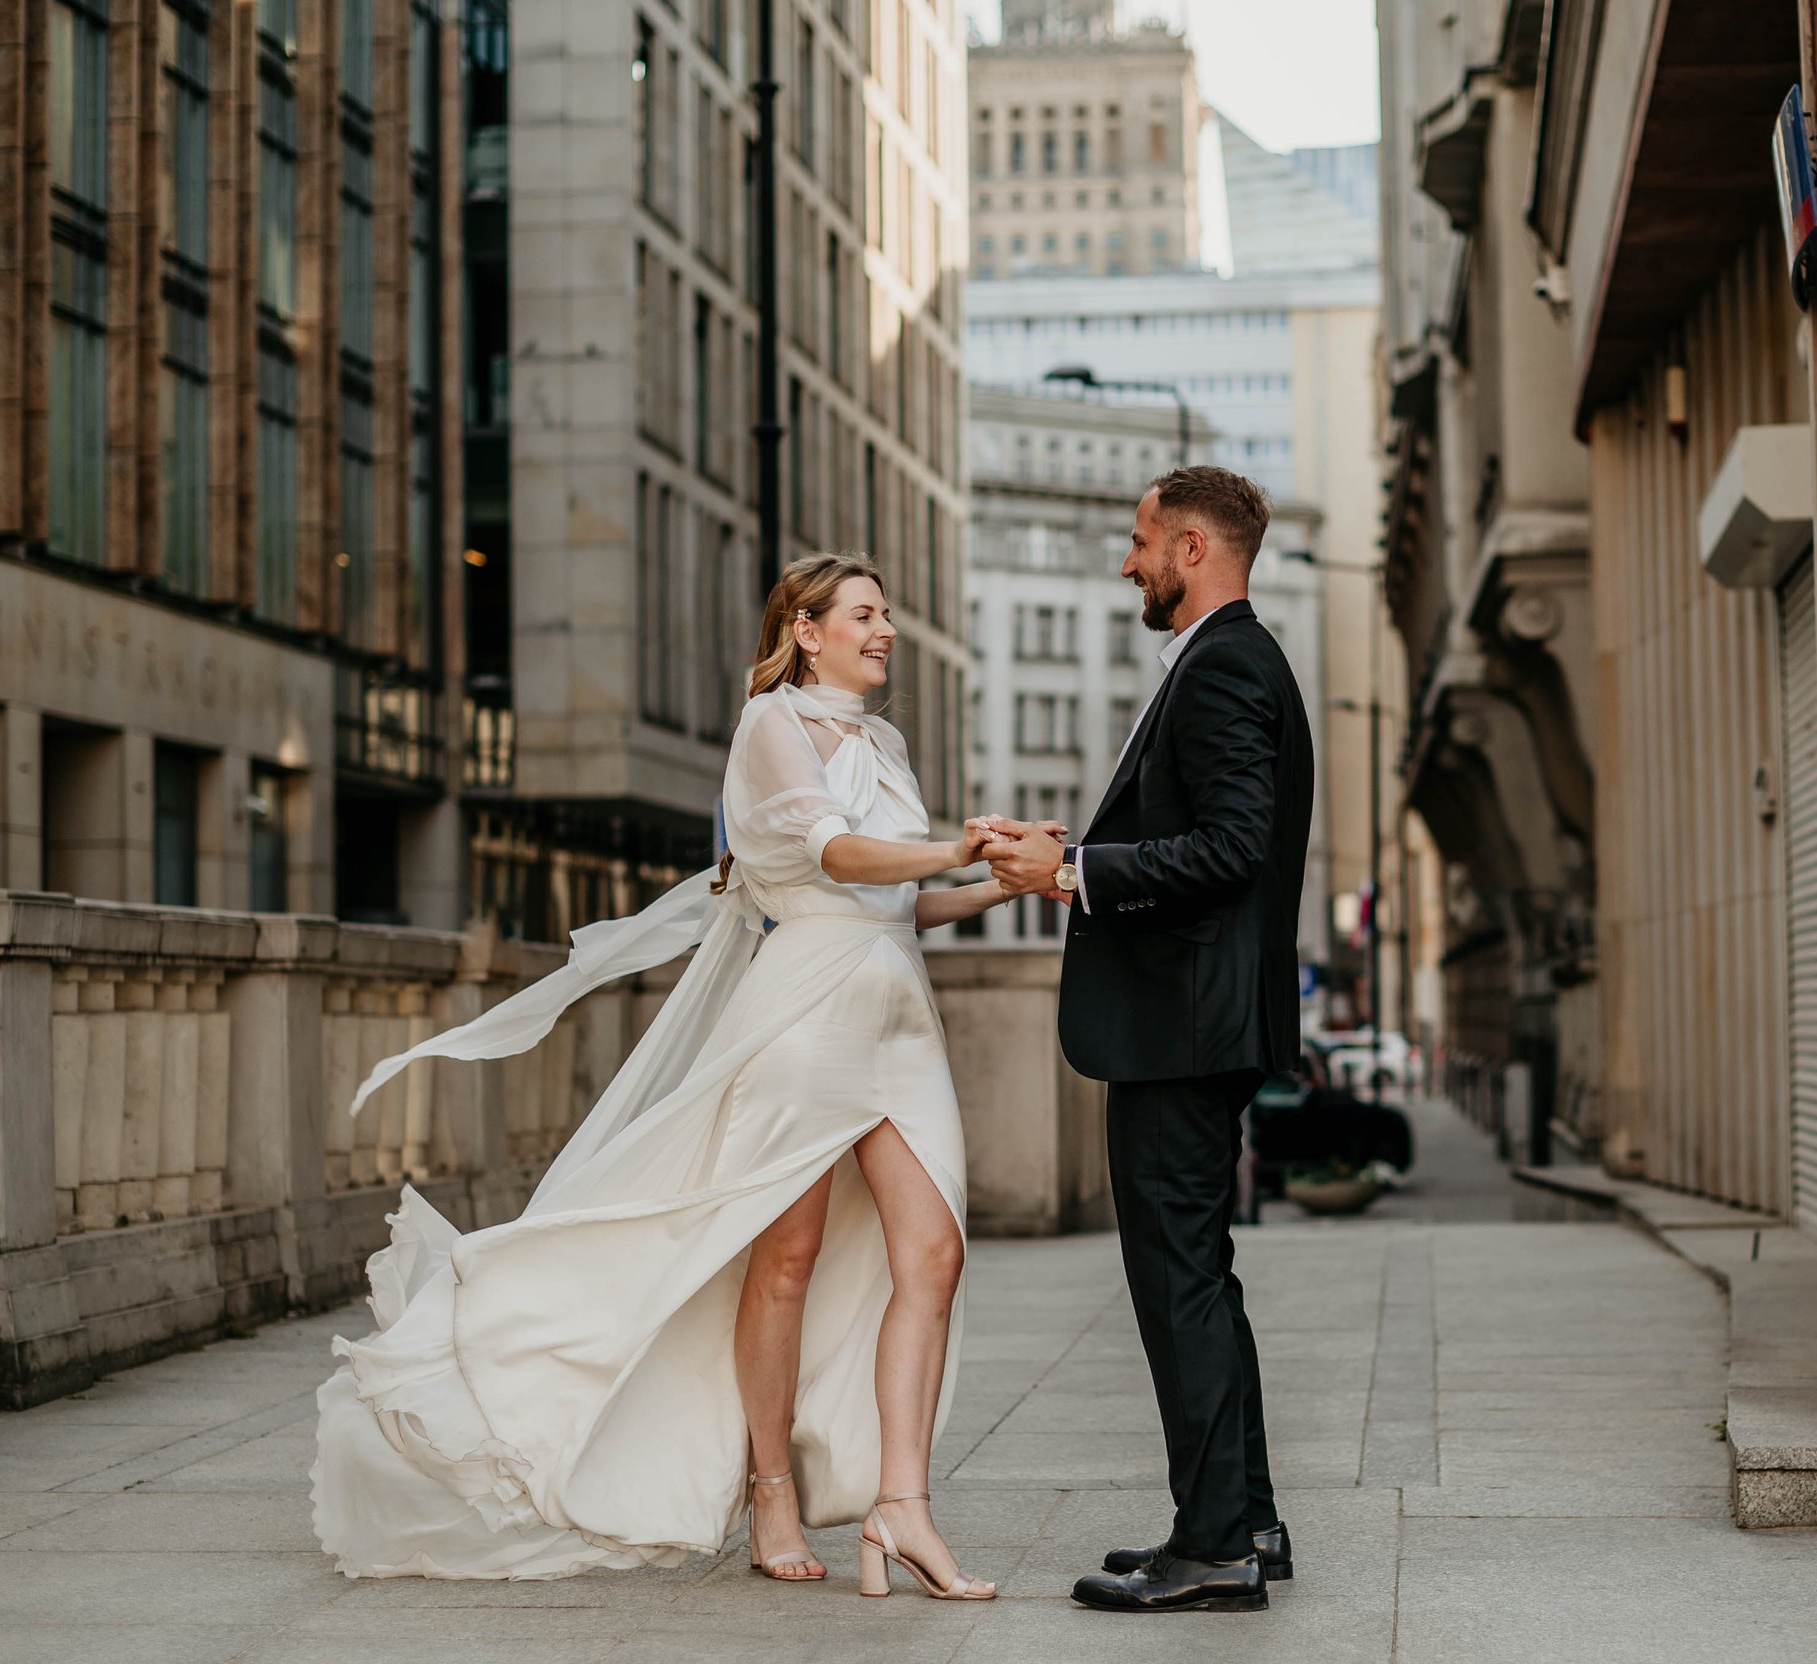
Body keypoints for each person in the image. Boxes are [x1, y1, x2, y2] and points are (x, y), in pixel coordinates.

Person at [313, 553, 1043, 1599]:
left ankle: (902, 1505)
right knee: (783, 1259)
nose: (886, 631)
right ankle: (772, 1488)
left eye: (888, 615)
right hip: (804, 1014)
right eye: (866, 614)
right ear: (804, 627)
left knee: (932, 1254)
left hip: (897, 1015)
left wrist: (998, 883)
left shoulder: (882, 739)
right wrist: (951, 845)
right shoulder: (772, 726)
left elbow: (901, 902)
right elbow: (835, 857)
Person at [983, 466, 1315, 1615]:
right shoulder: (1234, 660)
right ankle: (1244, 1519)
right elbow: (1206, 836)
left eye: (1136, 542)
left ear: (1189, 546)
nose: (1125, 561)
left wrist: (1072, 871)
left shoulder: (1225, 665)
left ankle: (1216, 1541)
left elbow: (1229, 846)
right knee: (1201, 1277)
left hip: (1184, 1028)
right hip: (1196, 1019)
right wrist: (1069, 851)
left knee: (1178, 1279)